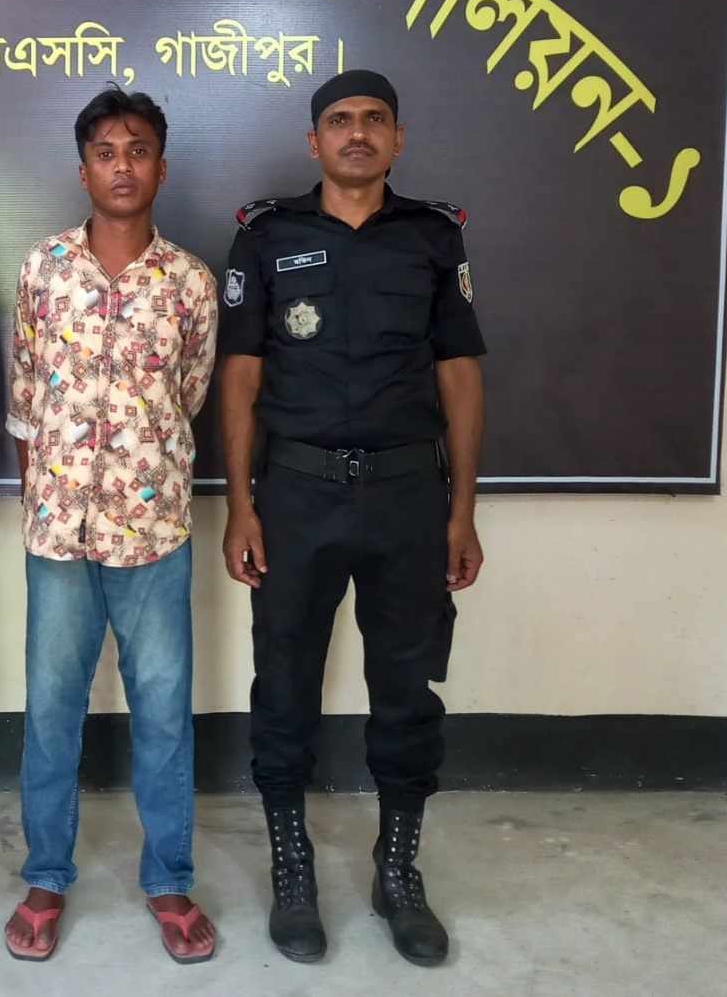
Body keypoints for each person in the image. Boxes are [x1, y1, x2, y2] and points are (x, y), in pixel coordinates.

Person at [218, 70, 485, 967]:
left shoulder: (434, 238)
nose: (357, 133)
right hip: (296, 495)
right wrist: (242, 505)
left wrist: (462, 510)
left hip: (408, 497)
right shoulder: (266, 236)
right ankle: (292, 867)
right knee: (284, 681)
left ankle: (397, 869)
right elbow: (241, 377)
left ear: (397, 138)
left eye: (375, 120)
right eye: (339, 120)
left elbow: (460, 375)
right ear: (315, 141)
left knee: (406, 689)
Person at [1, 86, 219, 965]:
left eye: (137, 150)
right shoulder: (43, 269)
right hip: (57, 534)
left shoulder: (191, 282)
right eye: (104, 151)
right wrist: (47, 497)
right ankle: (46, 874)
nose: (121, 166)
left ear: (161, 168)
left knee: (163, 711)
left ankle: (168, 877)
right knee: (51, 709)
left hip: (153, 530)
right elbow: (26, 398)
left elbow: (188, 396)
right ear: (83, 167)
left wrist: (140, 471)